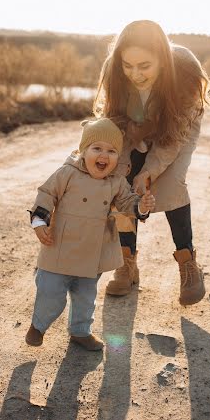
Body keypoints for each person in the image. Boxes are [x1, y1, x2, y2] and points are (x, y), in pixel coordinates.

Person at [93, 20, 210, 306]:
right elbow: (115, 128)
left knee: (170, 185)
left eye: (145, 66)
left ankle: (187, 261)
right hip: (133, 125)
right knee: (119, 184)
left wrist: (149, 171)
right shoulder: (115, 71)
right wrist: (120, 172)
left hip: (177, 127)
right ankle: (127, 262)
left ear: (163, 59)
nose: (135, 74)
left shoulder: (183, 72)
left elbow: (171, 140)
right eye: (128, 66)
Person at [25, 118, 155, 351]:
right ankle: (38, 325)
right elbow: (46, 194)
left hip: (91, 253)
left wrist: (142, 206)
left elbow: (127, 203)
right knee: (51, 293)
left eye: (111, 151)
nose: (104, 156)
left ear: (118, 157)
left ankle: (80, 331)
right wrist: (39, 222)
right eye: (97, 149)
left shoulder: (116, 182)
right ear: (83, 151)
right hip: (59, 247)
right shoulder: (67, 173)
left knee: (85, 297)